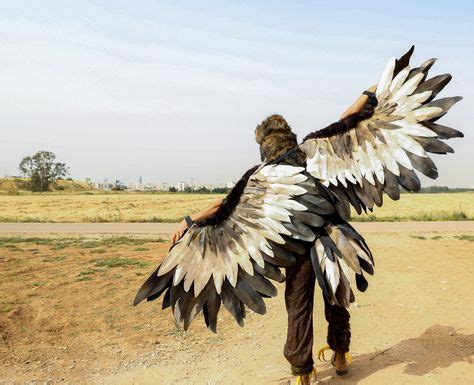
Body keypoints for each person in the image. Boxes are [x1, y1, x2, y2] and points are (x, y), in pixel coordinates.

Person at [170, 86, 376, 383]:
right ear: (289, 136)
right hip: (335, 238)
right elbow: (346, 119)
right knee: (337, 296)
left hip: (296, 247)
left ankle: (302, 373)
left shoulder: (260, 175)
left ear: (263, 146)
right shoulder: (314, 148)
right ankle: (341, 354)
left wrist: (190, 220)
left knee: (298, 303)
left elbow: (224, 205)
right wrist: (368, 95)